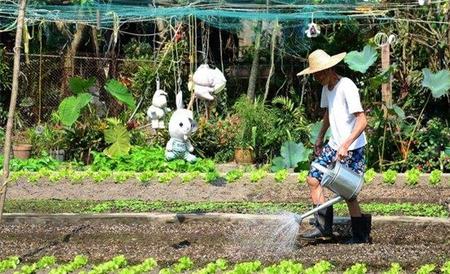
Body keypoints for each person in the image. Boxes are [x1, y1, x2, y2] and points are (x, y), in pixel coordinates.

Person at [296, 49, 371, 244]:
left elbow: (362, 121)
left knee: (348, 193)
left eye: (321, 72)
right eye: (315, 74)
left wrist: (346, 144)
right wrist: (320, 137)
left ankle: (360, 236)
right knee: (313, 178)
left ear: (331, 68)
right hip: (334, 144)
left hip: (352, 148)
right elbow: (329, 114)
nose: (319, 76)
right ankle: (322, 228)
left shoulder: (347, 86)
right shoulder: (326, 88)